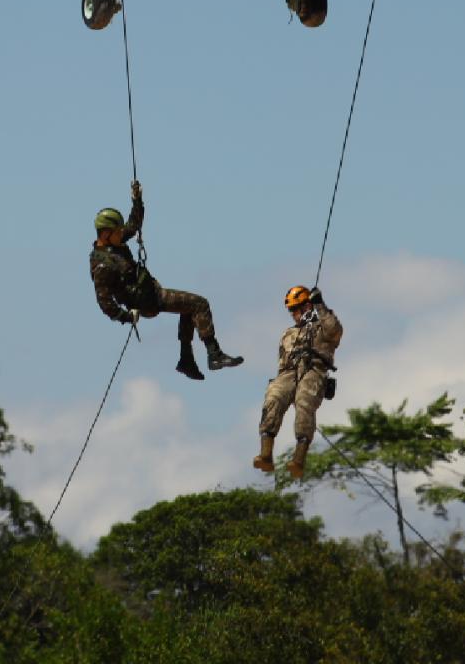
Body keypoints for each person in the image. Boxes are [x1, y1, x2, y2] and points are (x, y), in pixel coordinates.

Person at [89, 181, 244, 380]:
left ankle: (186, 360)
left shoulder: (115, 244)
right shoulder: (102, 265)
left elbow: (133, 225)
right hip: (148, 300)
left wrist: (137, 200)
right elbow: (105, 302)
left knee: (188, 308)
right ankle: (214, 355)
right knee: (199, 304)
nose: (122, 233)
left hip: (149, 293)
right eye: (118, 231)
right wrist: (126, 317)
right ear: (105, 234)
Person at [253, 284, 343, 479]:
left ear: (307, 306)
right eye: (291, 310)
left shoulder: (323, 327)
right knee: (274, 396)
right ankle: (266, 453)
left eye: (297, 308)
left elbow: (335, 331)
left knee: (304, 401)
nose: (294, 314)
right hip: (289, 372)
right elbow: (281, 361)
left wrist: (320, 306)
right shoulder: (289, 333)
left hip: (314, 369)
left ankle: (299, 459)